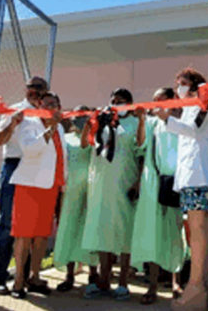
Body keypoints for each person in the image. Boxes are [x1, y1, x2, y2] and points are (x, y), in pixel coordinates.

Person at [155, 68, 208, 311]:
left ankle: (195, 285)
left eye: (181, 83)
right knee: (199, 230)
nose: (177, 86)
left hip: (198, 178)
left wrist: (166, 119)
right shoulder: (192, 107)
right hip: (193, 179)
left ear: (192, 85)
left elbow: (192, 130)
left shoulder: (202, 104)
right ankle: (202, 282)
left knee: (199, 230)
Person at [82, 88, 146, 301]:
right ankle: (103, 279)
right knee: (102, 230)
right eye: (113, 100)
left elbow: (142, 153)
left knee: (123, 231)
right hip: (101, 184)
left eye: (121, 101)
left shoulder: (135, 124)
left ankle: (123, 283)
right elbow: (89, 145)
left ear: (129, 103)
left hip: (124, 184)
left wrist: (137, 183)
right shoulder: (102, 122)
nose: (116, 103)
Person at [0, 76, 48, 295]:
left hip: (39, 171)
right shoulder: (14, 111)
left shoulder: (47, 114)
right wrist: (12, 124)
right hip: (15, 167)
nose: (36, 93)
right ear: (26, 90)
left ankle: (23, 279)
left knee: (31, 228)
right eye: (32, 88)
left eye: (40, 89)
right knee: (8, 226)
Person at [131, 88, 186, 305]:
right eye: (154, 100)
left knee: (176, 233)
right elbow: (140, 144)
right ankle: (152, 286)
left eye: (160, 100)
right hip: (153, 183)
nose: (156, 103)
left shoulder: (183, 122)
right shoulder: (152, 123)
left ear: (172, 101)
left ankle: (176, 282)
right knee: (153, 233)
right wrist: (143, 121)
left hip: (178, 183)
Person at [9, 91, 66, 299]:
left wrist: (63, 182)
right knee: (24, 235)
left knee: (42, 235)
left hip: (50, 186)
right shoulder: (29, 122)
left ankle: (35, 277)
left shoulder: (60, 126)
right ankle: (18, 282)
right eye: (48, 104)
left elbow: (62, 156)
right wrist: (50, 128)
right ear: (40, 105)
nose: (52, 107)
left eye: (56, 104)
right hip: (29, 185)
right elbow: (30, 149)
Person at [53, 105, 100, 292]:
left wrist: (90, 128)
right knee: (69, 229)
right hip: (70, 191)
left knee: (90, 229)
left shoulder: (95, 137)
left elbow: (87, 148)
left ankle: (93, 272)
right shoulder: (65, 139)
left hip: (91, 189)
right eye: (78, 116)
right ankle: (69, 274)